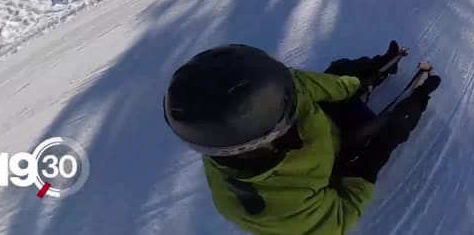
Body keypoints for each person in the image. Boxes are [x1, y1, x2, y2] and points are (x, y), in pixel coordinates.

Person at [162, 41, 440, 235]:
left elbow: (320, 85)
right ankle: (399, 114)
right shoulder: (274, 206)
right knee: (382, 133)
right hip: (339, 159)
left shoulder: (275, 91)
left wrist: (362, 79)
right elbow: (340, 217)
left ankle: (378, 72)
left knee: (339, 70)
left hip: (325, 129)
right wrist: (369, 165)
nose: (290, 87)